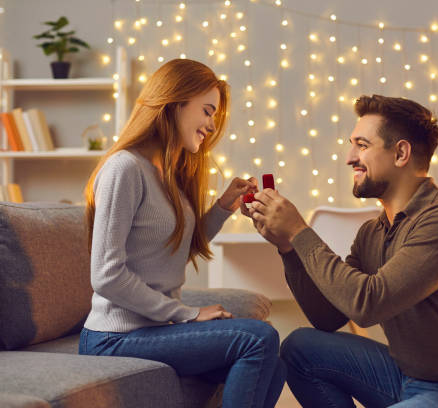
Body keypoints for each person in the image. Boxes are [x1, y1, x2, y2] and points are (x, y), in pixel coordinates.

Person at [243, 94, 438, 407]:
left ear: (401, 153)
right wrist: (287, 246)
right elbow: (327, 317)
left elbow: (368, 304)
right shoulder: (373, 232)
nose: (350, 157)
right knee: (300, 348)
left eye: (362, 145)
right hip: (407, 377)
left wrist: (299, 231)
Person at [79, 58, 286, 408]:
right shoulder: (124, 168)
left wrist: (224, 207)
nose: (210, 124)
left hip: (153, 329)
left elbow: (172, 250)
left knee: (276, 365)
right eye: (207, 111)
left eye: (214, 116)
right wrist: (186, 313)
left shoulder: (168, 174)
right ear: (176, 101)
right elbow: (106, 275)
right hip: (114, 336)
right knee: (258, 339)